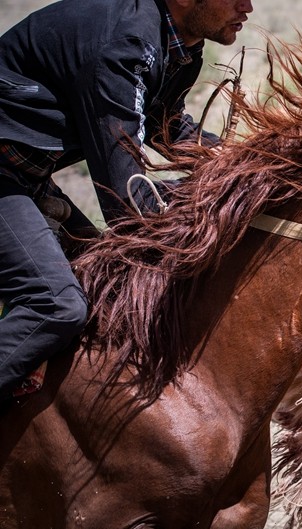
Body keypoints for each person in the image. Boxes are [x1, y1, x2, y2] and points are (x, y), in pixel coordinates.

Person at [0, 0, 253, 404]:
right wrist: (212, 208)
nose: (249, 7)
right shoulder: (124, 45)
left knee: (93, 277)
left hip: (23, 174)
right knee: (57, 304)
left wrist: (245, 167)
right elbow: (126, 200)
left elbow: (166, 127)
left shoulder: (178, 46)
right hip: (7, 173)